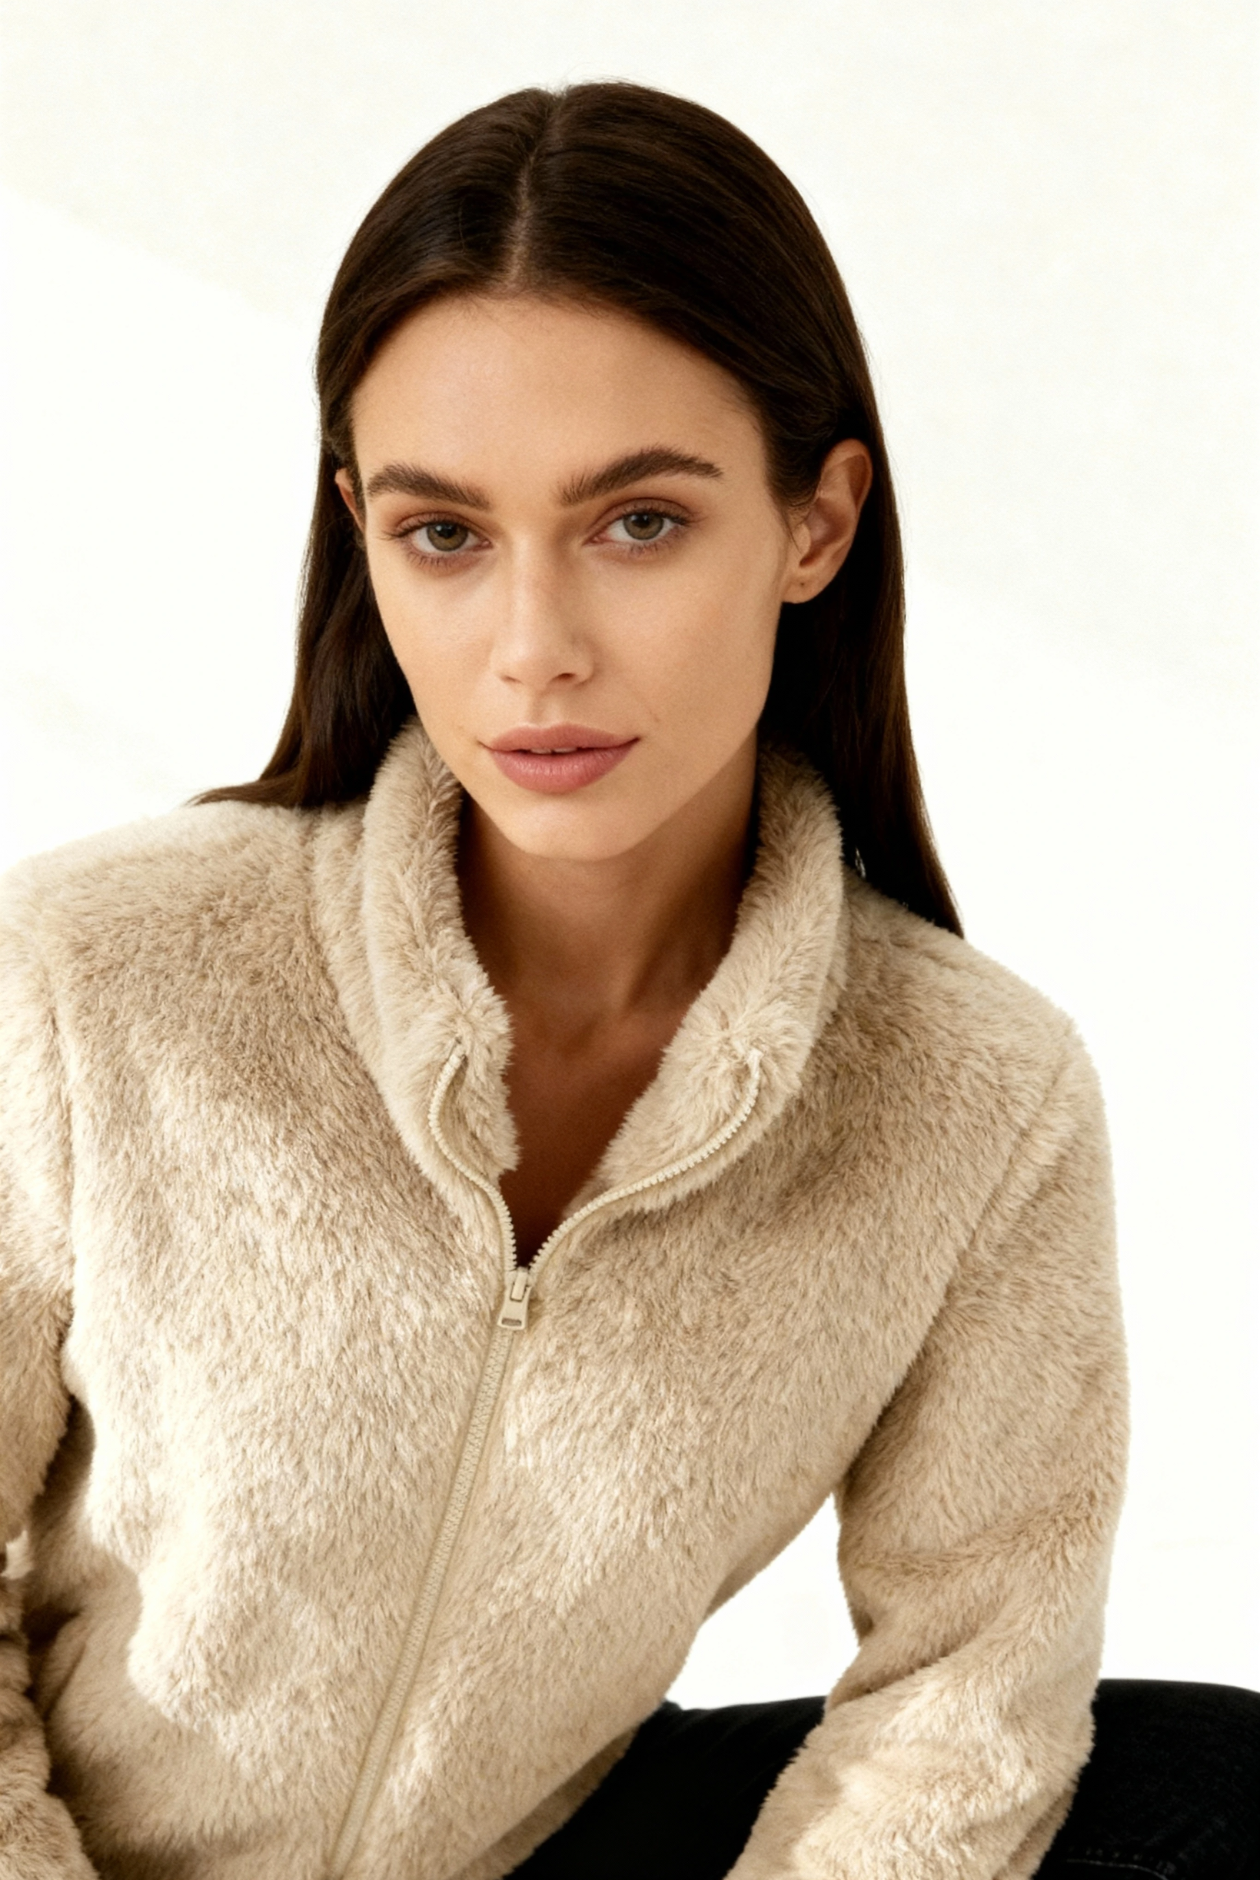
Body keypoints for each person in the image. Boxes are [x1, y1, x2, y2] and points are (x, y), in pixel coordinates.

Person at [0, 79, 1255, 1880]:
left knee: (1207, 1784)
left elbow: (970, 1687)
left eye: (639, 522)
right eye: (445, 534)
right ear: (361, 530)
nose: (535, 650)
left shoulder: (977, 1099)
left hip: (536, 1856)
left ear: (817, 523)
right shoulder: (87, 981)